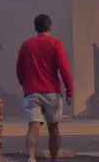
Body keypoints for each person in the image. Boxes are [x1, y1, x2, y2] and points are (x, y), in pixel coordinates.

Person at [16, 14, 74, 162]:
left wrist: (26, 86)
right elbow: (64, 69)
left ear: (36, 28)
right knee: (53, 128)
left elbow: (19, 70)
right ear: (49, 27)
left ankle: (31, 156)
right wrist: (69, 90)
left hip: (32, 92)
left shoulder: (26, 45)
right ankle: (54, 160)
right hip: (52, 92)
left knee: (33, 126)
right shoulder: (56, 44)